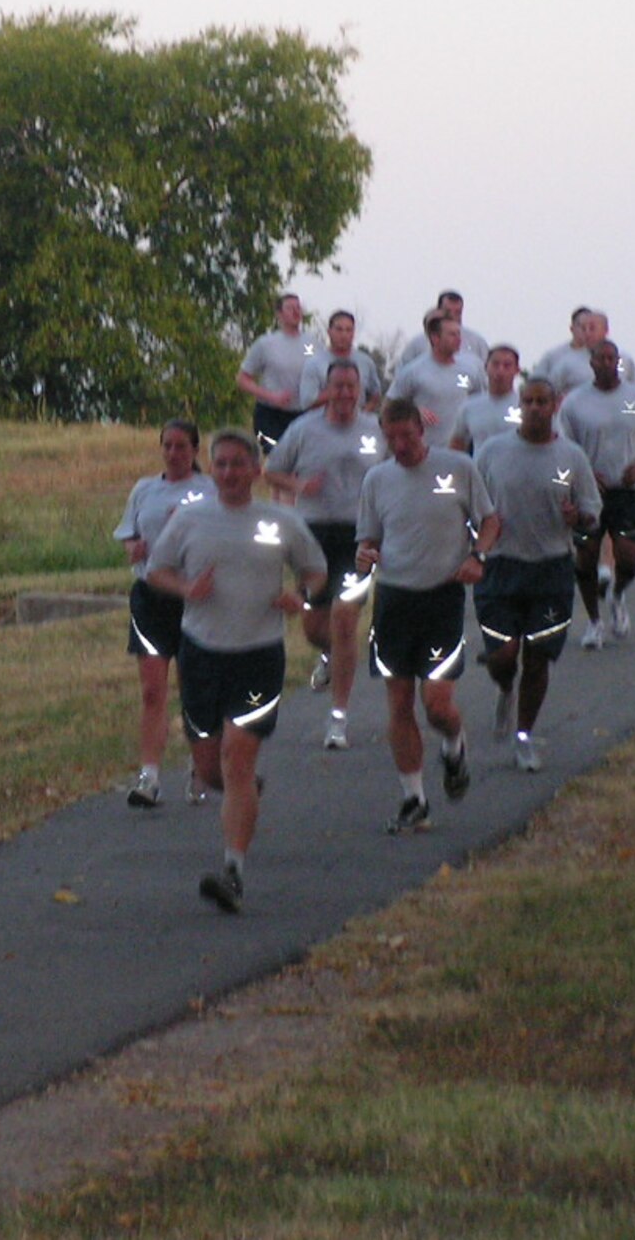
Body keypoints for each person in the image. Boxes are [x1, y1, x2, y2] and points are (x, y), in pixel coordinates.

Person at [145, 428, 325, 913]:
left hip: (258, 656)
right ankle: (243, 794)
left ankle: (233, 872)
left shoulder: (280, 520)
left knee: (236, 760)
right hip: (202, 654)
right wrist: (185, 590)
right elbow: (155, 570)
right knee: (209, 769)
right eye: (220, 464)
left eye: (237, 464)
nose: (228, 473)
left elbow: (315, 569)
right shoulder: (189, 519)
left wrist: (301, 598)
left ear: (255, 470)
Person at [355, 400, 500, 834]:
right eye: (391, 437)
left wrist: (478, 556)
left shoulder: (457, 468)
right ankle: (414, 798)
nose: (399, 445)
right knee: (398, 702)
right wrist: (365, 555)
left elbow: (491, 521)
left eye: (407, 436)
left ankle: (454, 745)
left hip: (442, 597)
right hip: (395, 598)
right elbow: (367, 539)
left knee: (436, 706)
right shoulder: (377, 479)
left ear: (423, 429)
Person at [473, 377, 600, 772]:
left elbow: (592, 511)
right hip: (501, 567)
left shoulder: (571, 456)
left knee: (539, 658)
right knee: (503, 654)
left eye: (542, 401)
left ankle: (524, 736)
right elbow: (470, 503)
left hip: (551, 569)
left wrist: (576, 516)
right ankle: (503, 686)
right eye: (527, 401)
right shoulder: (493, 452)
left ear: (555, 405)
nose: (534, 408)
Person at [264, 360, 388, 749]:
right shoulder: (304, 429)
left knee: (345, 617)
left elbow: (392, 474)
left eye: (353, 387)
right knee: (317, 629)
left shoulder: (375, 430)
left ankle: (339, 718)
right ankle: (339, 655)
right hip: (313, 534)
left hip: (358, 535)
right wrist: (300, 483)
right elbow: (272, 471)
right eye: (339, 387)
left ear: (362, 391)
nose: (346, 394)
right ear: (328, 390)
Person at [113, 419, 213, 808]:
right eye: (167, 447)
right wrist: (135, 548)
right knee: (153, 690)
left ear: (194, 451)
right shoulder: (145, 489)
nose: (174, 454)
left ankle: (199, 766)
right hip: (151, 597)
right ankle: (149, 777)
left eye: (182, 448)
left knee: (193, 689)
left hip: (191, 598)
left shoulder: (207, 491)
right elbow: (129, 535)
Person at [558, 340, 635, 650]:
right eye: (601, 358)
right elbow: (564, 446)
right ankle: (594, 623)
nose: (607, 363)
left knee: (629, 558)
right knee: (586, 559)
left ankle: (617, 594)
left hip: (628, 491)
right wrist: (585, 474)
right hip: (590, 493)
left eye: (612, 359)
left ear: (618, 363)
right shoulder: (575, 402)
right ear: (591, 363)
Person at [386, 313, 484, 440]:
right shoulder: (413, 371)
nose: (458, 339)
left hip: (460, 450)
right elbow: (390, 405)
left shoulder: (470, 370)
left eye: (459, 334)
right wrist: (413, 412)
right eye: (452, 335)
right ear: (435, 338)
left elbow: (479, 402)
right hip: (424, 448)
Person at [236, 292, 314, 450]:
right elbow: (242, 379)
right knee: (276, 456)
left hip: (302, 413)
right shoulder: (266, 344)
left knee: (300, 460)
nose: (296, 312)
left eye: (298, 307)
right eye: (290, 308)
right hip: (269, 414)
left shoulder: (313, 344)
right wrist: (271, 396)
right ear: (279, 314)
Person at [295, 308, 384, 414]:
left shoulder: (366, 362)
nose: (344, 335)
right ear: (329, 332)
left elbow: (375, 395)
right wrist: (336, 392)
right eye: (339, 329)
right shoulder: (314, 363)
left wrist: (364, 414)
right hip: (323, 424)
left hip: (356, 425)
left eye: (348, 330)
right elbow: (307, 402)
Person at [450, 344, 524, 453]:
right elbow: (457, 445)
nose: (500, 371)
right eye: (495, 364)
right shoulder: (470, 407)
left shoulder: (526, 406)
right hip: (479, 468)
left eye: (507, 366)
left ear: (517, 370)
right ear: (486, 367)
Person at [396, 289, 490, 369]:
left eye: (457, 312)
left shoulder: (477, 343)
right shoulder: (417, 344)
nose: (453, 317)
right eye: (448, 311)